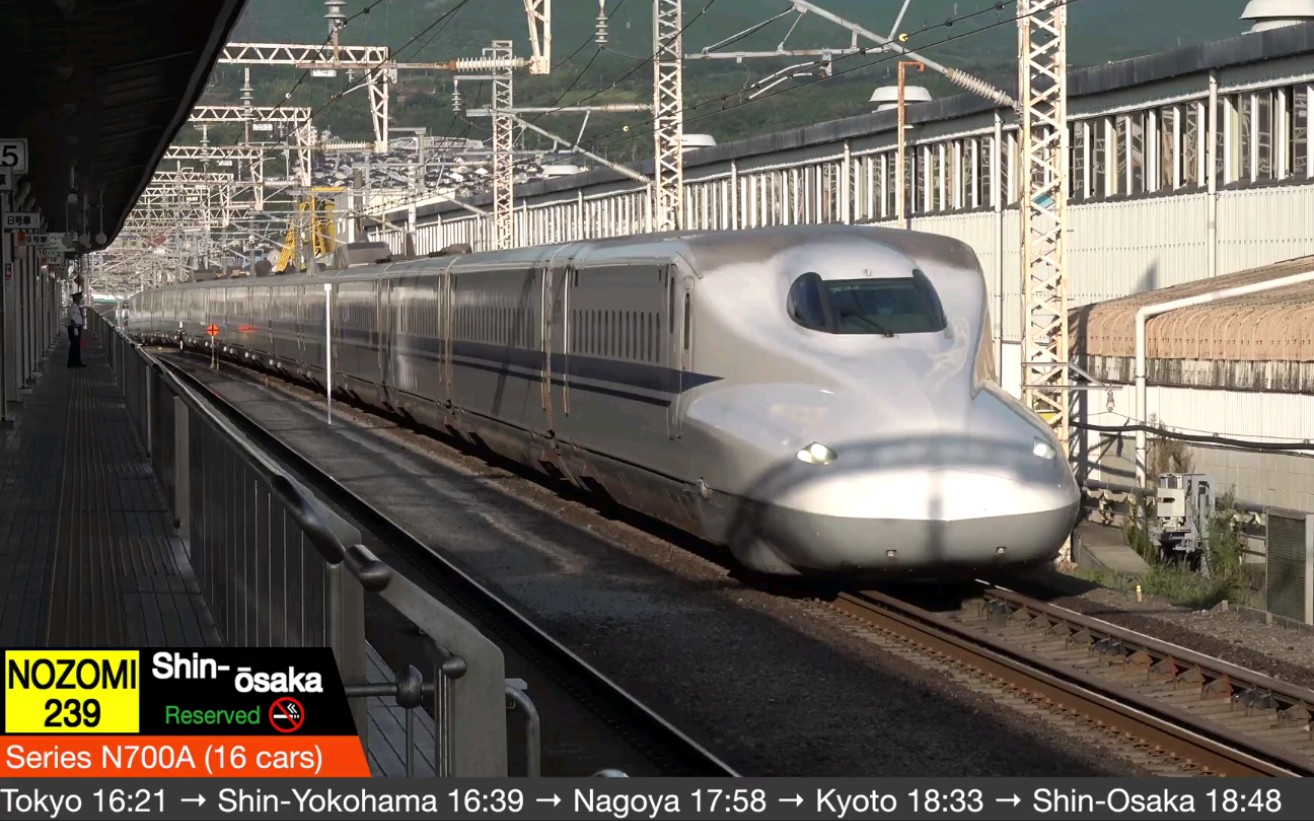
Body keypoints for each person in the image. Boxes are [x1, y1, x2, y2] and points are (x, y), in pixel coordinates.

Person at [66, 292, 86, 368]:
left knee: (76, 345)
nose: (81, 299)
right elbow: (72, 319)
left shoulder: (77, 307)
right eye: (80, 298)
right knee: (74, 345)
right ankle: (73, 363)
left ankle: (76, 362)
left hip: (77, 328)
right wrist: (75, 329)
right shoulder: (73, 307)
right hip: (74, 328)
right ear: (76, 299)